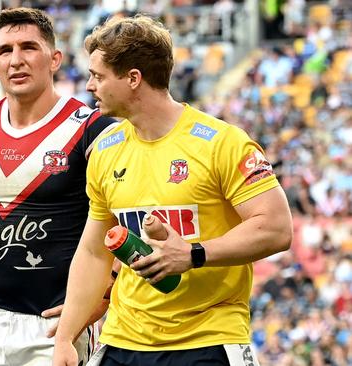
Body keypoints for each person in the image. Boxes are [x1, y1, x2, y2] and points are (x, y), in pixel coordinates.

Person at [53, 14, 293, 366]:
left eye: (98, 76)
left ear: (133, 78)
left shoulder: (223, 143)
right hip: (122, 341)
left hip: (209, 342)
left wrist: (193, 254)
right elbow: (92, 252)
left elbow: (276, 228)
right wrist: (64, 337)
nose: (89, 86)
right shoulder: (105, 150)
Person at [0, 7, 117, 366]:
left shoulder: (91, 128)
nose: (16, 60)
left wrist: (107, 291)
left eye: (29, 47)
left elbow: (125, 216)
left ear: (54, 58)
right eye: (5, 51)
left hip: (55, 328)